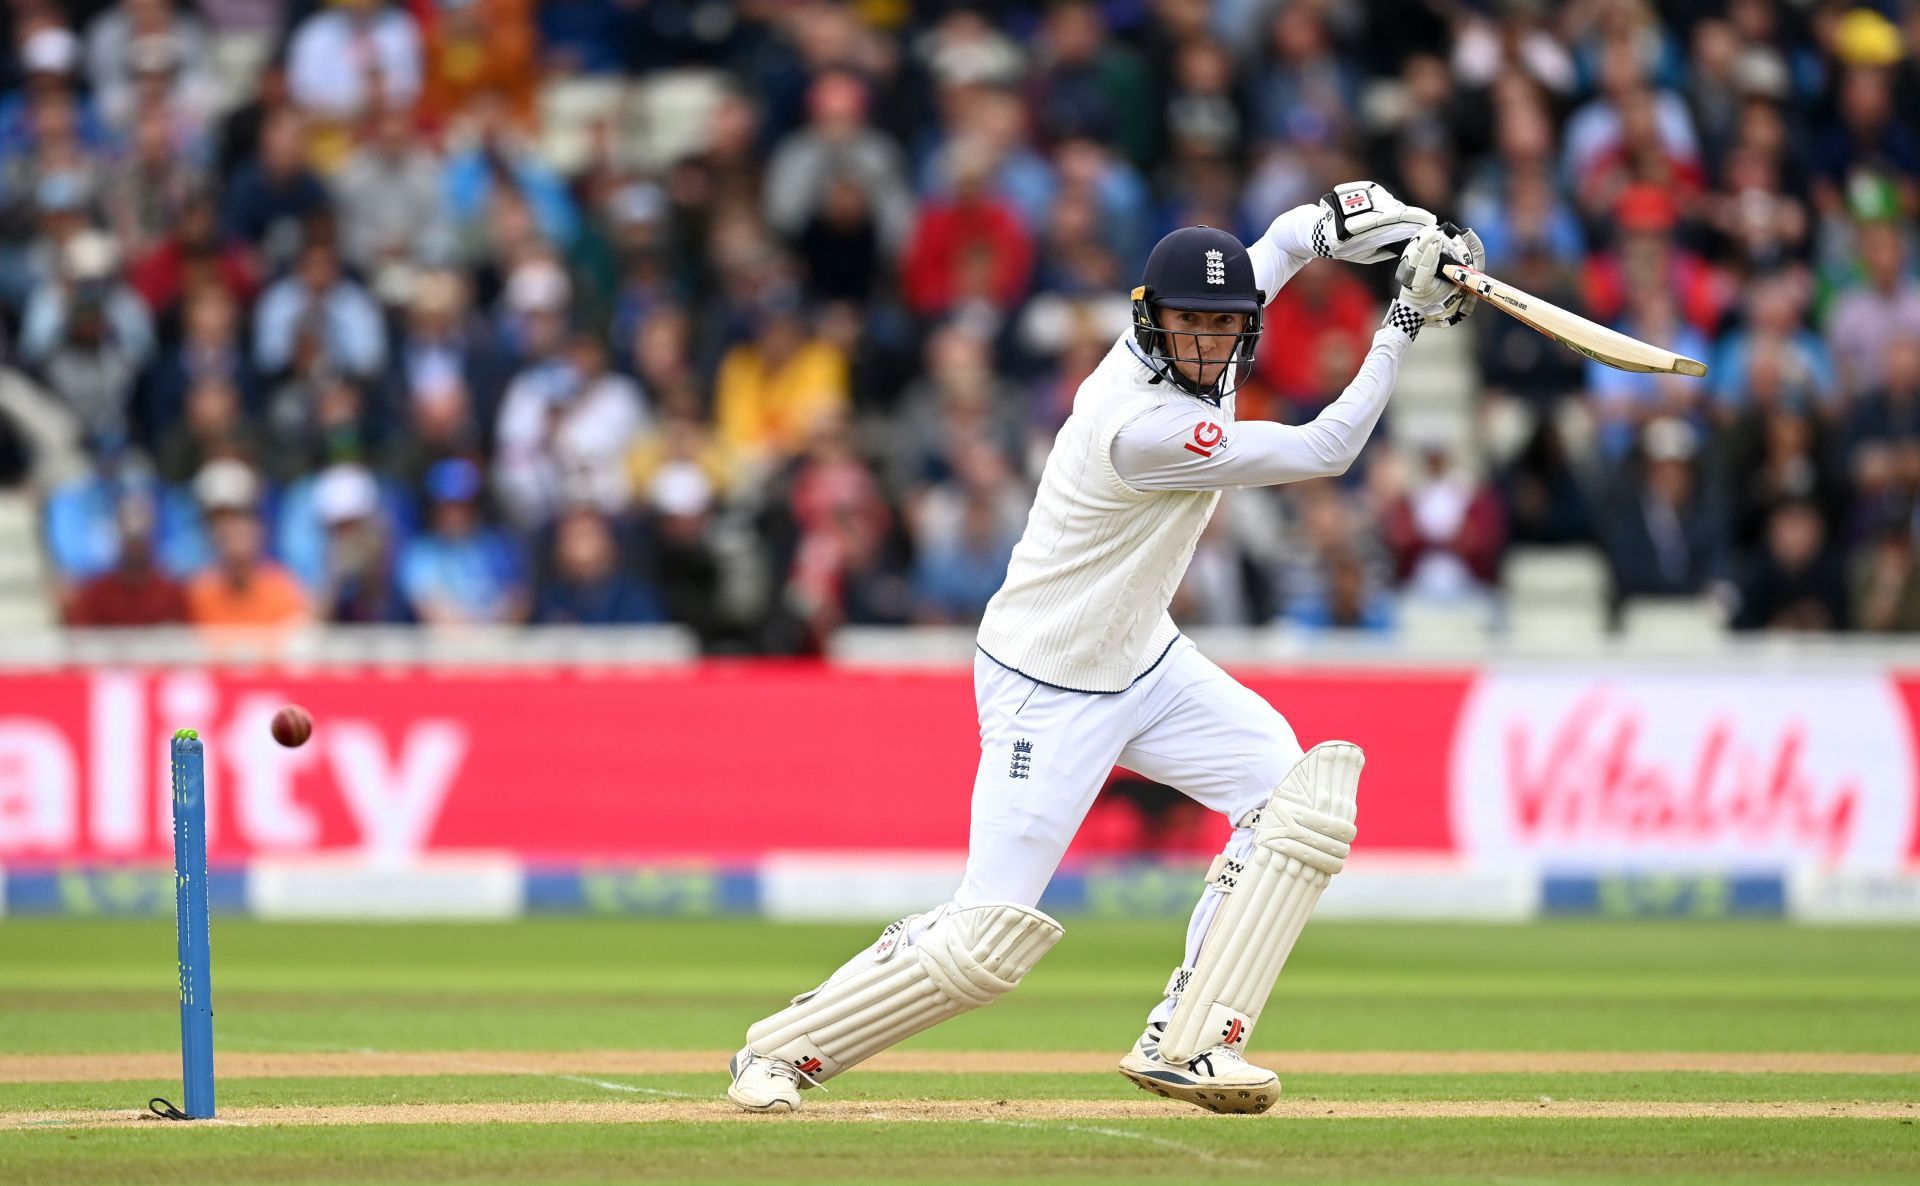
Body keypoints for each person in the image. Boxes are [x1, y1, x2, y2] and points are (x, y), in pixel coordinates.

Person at [727, 183, 1476, 1115]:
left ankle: (1192, 1039)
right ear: (1149, 323)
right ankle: (783, 1051)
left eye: (1225, 324)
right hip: (1049, 682)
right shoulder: (1144, 425)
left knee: (1297, 801)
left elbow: (1286, 239)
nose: (1208, 342)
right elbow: (1326, 449)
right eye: (1187, 323)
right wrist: (1401, 319)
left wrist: (1372, 219)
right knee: (984, 941)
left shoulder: (1217, 343)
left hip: (1144, 658)